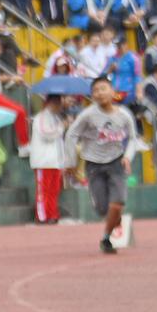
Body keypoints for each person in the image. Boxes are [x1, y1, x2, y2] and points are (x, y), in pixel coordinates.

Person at [67, 76, 135, 255]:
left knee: (118, 202)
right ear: (92, 96)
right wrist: (71, 161)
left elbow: (134, 139)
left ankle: (106, 238)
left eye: (103, 88)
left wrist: (127, 156)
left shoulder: (124, 115)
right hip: (94, 165)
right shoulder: (88, 115)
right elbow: (71, 134)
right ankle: (113, 218)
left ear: (113, 92)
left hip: (116, 162)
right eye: (95, 90)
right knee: (102, 209)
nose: (100, 93)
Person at [30, 94, 67, 224]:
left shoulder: (57, 118)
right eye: (56, 103)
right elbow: (46, 134)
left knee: (54, 190)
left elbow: (59, 142)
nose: (59, 106)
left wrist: (62, 162)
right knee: (43, 190)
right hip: (43, 161)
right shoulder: (41, 117)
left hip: (55, 161)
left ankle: (52, 214)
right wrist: (61, 127)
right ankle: (41, 216)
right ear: (50, 103)